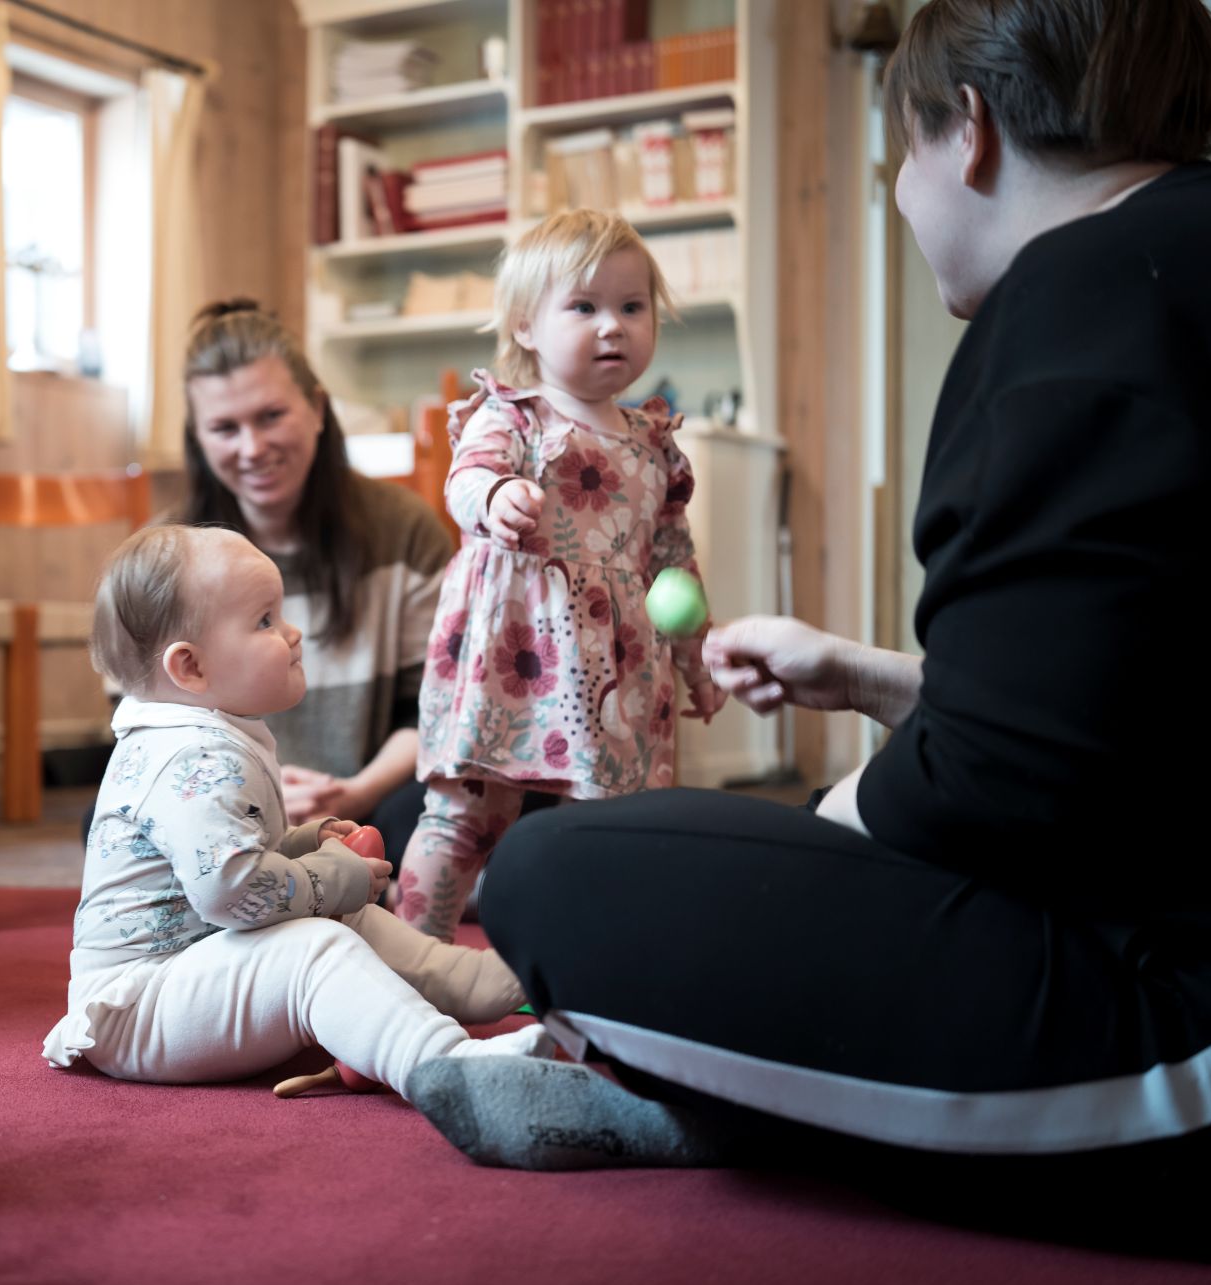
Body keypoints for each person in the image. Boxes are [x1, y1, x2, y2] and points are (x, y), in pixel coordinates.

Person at [405, 0, 1211, 1258]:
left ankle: (732, 1096)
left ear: (971, 134)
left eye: (898, 157)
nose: (899, 196)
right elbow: (1145, 717)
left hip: (1178, 1027)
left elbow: (1004, 791)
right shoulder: (1173, 261)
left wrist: (829, 833)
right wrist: (884, 681)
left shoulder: (1076, 298)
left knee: (562, 873)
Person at [42, 524, 551, 1094]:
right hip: (141, 1009)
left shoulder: (205, 733)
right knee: (316, 943)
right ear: (191, 668)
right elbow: (231, 891)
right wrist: (334, 874)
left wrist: (305, 844)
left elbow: (227, 860)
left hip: (192, 968)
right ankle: (446, 1065)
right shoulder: (191, 756)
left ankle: (491, 982)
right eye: (264, 621)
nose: (292, 633)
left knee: (343, 915)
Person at [393, 210, 724, 942]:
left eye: (632, 307)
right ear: (524, 327)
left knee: (607, 831)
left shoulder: (655, 447)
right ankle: (407, 961)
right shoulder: (511, 417)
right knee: (464, 817)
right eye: (584, 307)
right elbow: (465, 480)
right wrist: (494, 497)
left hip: (616, 668)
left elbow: (674, 566)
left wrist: (698, 661)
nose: (613, 326)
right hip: (510, 655)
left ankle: (586, 967)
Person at [177, 299, 502, 869]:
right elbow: (157, 725)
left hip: (373, 799)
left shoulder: (405, 530)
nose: (252, 448)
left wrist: (356, 793)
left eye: (271, 416)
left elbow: (435, 709)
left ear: (318, 409)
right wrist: (264, 786)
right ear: (198, 438)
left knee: (451, 811)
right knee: (113, 815)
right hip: (230, 800)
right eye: (224, 428)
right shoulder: (171, 554)